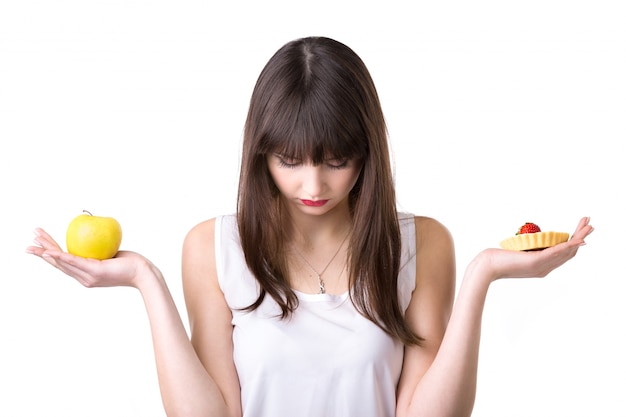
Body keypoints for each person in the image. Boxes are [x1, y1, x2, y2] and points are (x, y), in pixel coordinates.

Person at [26, 36, 593, 417]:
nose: (314, 186)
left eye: (336, 160)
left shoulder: (422, 243)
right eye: (290, 161)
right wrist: (146, 281)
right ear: (261, 156)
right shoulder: (213, 247)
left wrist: (482, 275)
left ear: (366, 153)